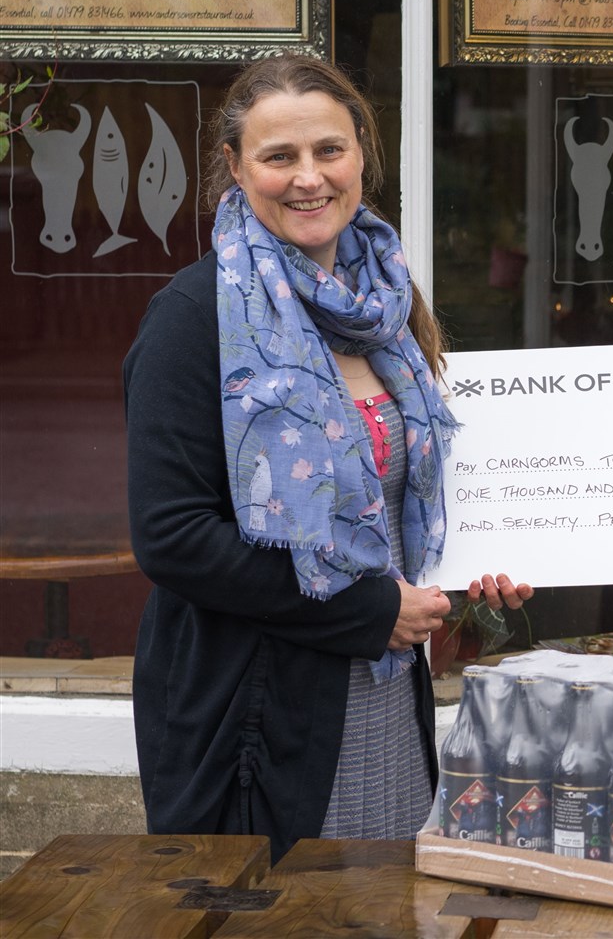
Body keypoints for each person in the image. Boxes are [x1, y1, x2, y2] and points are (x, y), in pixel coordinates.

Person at [124, 55, 533, 861]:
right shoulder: (192, 318)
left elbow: (401, 507)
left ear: (361, 158)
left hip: (385, 695)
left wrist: (474, 589)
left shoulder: (384, 307)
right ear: (236, 170)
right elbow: (171, 536)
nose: (308, 178)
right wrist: (369, 611)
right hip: (254, 709)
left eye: (329, 151)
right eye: (279, 158)